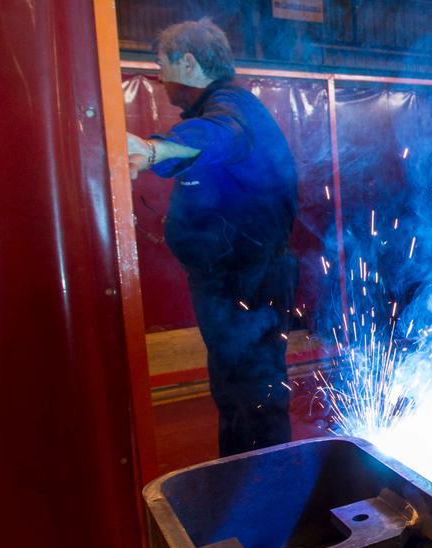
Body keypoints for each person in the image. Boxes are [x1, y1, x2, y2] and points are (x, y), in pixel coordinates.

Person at [126, 18, 299, 457]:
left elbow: (217, 138)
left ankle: (263, 483)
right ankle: (243, 474)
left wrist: (152, 150)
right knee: (237, 389)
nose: (161, 78)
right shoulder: (223, 107)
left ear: (188, 62)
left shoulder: (232, 109)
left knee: (254, 391)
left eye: (162, 64)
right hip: (235, 282)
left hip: (249, 282)